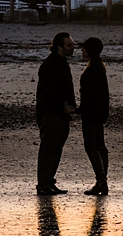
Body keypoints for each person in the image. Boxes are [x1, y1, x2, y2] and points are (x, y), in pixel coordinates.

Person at [35, 32, 76, 195]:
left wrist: (71, 106)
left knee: (56, 149)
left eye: (72, 44)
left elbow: (66, 89)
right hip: (51, 113)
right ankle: (44, 184)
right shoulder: (50, 65)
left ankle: (49, 182)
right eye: (69, 45)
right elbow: (51, 91)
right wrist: (63, 107)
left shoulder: (62, 63)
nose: (73, 48)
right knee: (48, 149)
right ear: (59, 47)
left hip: (60, 113)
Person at [79, 37, 110, 195]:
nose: (81, 51)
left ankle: (101, 180)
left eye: (84, 48)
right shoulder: (99, 68)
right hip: (98, 112)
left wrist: (79, 110)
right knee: (99, 146)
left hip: (91, 113)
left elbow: (89, 96)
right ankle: (102, 180)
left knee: (91, 146)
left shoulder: (92, 70)